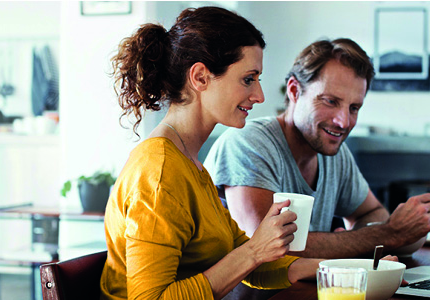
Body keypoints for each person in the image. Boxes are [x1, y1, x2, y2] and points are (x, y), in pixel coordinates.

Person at [99, 7, 323, 300]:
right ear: (201, 77)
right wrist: (255, 251)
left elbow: (252, 267)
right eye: (248, 79)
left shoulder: (189, 164)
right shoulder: (160, 174)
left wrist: (351, 269)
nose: (260, 95)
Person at [204, 38, 430, 259]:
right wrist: (385, 234)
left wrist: (353, 240)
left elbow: (371, 212)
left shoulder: (334, 154)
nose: (344, 122)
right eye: (330, 101)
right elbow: (268, 250)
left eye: (354, 108)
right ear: (294, 91)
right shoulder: (248, 143)